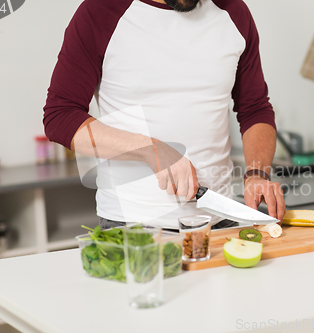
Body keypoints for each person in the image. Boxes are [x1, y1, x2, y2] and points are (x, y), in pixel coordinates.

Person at [43, 0, 285, 229]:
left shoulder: (234, 12)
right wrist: (151, 149)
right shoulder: (99, 12)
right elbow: (60, 116)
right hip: (132, 225)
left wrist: (257, 174)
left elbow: (255, 109)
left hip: (219, 220)